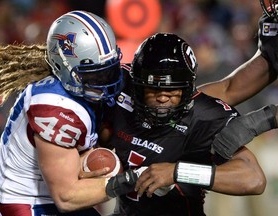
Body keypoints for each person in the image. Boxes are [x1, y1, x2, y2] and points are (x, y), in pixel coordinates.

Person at [0, 10, 143, 216]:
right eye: (95, 75)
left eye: (109, 70)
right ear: (62, 67)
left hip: (56, 194)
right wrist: (133, 180)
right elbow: (66, 197)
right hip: (26, 203)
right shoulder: (55, 106)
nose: (106, 82)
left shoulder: (85, 91)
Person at [99, 32, 267, 216]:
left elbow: (254, 179)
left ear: (188, 90)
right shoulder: (121, 92)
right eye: (153, 88)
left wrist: (178, 172)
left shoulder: (203, 117)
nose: (162, 97)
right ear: (137, 86)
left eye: (172, 90)